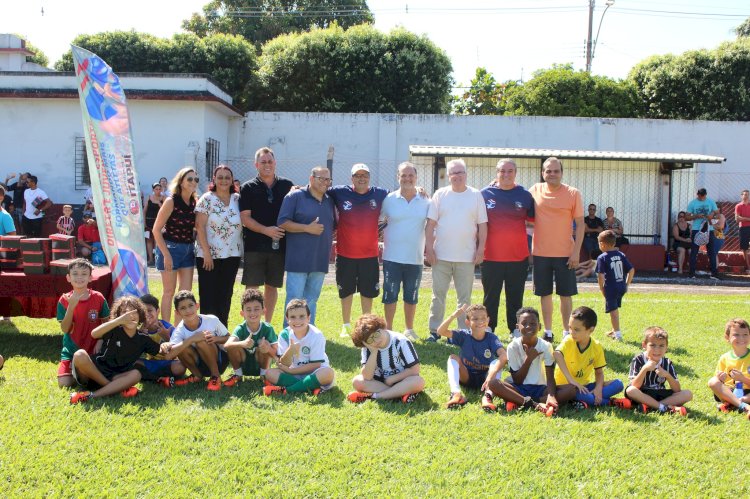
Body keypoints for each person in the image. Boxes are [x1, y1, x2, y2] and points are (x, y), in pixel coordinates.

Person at [425, 159, 488, 342]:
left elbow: (482, 225)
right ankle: (434, 331)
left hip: (466, 257)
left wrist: (480, 249)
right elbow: (430, 225)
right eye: (453, 173)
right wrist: (429, 249)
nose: (457, 176)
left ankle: (463, 332)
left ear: (466, 174)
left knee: (464, 299)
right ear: (448, 175)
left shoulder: (475, 195)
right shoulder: (440, 194)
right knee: (438, 296)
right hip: (441, 256)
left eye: (460, 172)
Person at [329, 164, 389, 337]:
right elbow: (320, 188)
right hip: (345, 254)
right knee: (346, 291)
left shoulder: (380, 193)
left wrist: (419, 189)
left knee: (367, 291)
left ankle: (366, 324)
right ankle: (346, 325)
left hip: (369, 254)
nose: (361, 178)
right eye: (357, 175)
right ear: (351, 178)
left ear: (369, 177)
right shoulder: (340, 192)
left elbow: (399, 194)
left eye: (365, 175)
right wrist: (299, 188)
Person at [528, 157, 584, 342]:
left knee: (565, 294)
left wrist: (575, 252)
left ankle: (567, 332)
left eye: (556, 171)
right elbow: (518, 201)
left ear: (562, 173)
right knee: (544, 293)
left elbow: (580, 225)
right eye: (548, 171)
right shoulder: (535, 190)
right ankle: (549, 331)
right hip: (541, 253)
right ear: (543, 173)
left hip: (565, 254)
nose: (552, 174)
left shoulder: (573, 193)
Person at [68, 296, 162, 404]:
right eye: (125, 313)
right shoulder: (114, 329)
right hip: (93, 372)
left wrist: (167, 343)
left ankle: (92, 395)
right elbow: (94, 334)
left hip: (116, 377)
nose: (129, 315)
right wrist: (118, 321)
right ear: (118, 317)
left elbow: (162, 352)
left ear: (140, 314)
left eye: (133, 312)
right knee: (79, 355)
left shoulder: (143, 338)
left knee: (136, 374)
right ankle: (112, 389)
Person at [239, 147, 294, 323]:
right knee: (252, 288)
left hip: (279, 246)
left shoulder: (287, 185)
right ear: (256, 164)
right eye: (263, 162)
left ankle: (267, 325)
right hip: (254, 246)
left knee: (272, 286)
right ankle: (251, 324)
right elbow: (245, 218)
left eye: (270, 161)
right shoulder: (247, 187)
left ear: (275, 163)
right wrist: (266, 230)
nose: (267, 165)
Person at [481, 159, 534, 337]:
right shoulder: (484, 194)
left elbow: (535, 221)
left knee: (515, 296)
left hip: (517, 257)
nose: (506, 175)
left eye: (510, 171)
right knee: (490, 297)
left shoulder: (525, 195)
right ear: (496, 173)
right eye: (502, 171)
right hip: (491, 256)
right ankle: (489, 328)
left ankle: (515, 329)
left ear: (515, 173)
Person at [277, 166, 335, 326]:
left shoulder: (330, 200)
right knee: (294, 301)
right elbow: (282, 222)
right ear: (311, 178)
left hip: (319, 260)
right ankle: (289, 337)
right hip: (298, 261)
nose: (325, 182)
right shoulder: (295, 196)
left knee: (312, 301)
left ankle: (308, 336)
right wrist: (306, 228)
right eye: (321, 178)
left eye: (328, 179)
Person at [379, 162, 429, 340]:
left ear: (416, 177)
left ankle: (409, 329)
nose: (407, 179)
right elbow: (379, 221)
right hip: (392, 257)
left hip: (415, 258)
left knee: (411, 296)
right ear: (397, 177)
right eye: (403, 175)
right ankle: (389, 329)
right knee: (390, 295)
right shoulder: (388, 199)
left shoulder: (425, 200)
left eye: (411, 175)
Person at [195, 165, 243, 327]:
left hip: (232, 255)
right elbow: (199, 226)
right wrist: (207, 254)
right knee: (208, 296)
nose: (223, 180)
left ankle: (222, 332)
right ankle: (207, 334)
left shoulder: (238, 199)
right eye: (220, 177)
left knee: (225, 295)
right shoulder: (207, 199)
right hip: (208, 256)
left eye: (227, 177)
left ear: (232, 180)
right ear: (214, 179)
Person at [488, 307, 557, 415]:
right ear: (517, 327)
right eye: (524, 323)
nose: (529, 326)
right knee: (493, 384)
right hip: (519, 388)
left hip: (540, 389)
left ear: (539, 327)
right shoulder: (512, 347)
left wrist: (551, 396)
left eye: (533, 323)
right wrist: (529, 359)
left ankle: (516, 401)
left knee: (570, 390)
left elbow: (550, 376)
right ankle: (533, 404)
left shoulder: (546, 346)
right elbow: (518, 380)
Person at [436, 304, 507, 410]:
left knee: (497, 362)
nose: (480, 321)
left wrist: (490, 375)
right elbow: (440, 331)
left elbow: (504, 355)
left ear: (488, 320)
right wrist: (453, 316)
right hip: (466, 377)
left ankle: (488, 396)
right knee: (453, 357)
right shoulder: (463, 335)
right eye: (475, 319)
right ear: (467, 322)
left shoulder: (491, 338)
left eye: (483, 318)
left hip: (486, 378)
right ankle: (456, 394)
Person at [553, 306, 626, 408]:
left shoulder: (596, 346)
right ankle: (611, 402)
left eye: (576, 329)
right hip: (566, 388)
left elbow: (599, 372)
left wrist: (598, 389)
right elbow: (557, 354)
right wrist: (572, 381)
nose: (571, 332)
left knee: (619, 384)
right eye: (570, 327)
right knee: (588, 397)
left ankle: (589, 400)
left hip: (584, 387)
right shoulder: (568, 340)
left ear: (590, 330)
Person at [152, 167, 199, 324]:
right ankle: (166, 329)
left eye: (196, 179)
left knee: (185, 294)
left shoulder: (194, 202)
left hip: (188, 249)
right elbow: (156, 230)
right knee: (169, 291)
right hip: (170, 248)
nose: (194, 182)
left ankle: (179, 330)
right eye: (190, 179)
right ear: (181, 181)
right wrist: (166, 255)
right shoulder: (171, 201)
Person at [159, 290, 230, 391]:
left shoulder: (211, 320)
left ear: (197, 306)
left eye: (190, 305)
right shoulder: (179, 330)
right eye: (183, 308)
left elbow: (229, 338)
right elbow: (168, 356)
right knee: (181, 347)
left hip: (219, 361)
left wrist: (216, 339)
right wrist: (191, 339)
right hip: (199, 364)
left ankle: (216, 376)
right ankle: (197, 376)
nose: (188, 310)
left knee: (202, 340)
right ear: (177, 312)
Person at [262, 299, 336, 396]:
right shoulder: (284, 334)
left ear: (308, 318)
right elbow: (283, 364)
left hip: (315, 373)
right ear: (287, 319)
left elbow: (316, 365)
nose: (297, 321)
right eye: (293, 317)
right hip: (293, 374)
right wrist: (290, 350)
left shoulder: (316, 335)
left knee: (328, 373)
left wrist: (292, 371)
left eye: (302, 316)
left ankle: (286, 390)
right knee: (269, 373)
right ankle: (310, 387)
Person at [347, 313, 425, 404]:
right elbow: (367, 377)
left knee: (418, 382)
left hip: (402, 380)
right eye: (370, 340)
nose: (376, 340)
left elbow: (415, 370)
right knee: (357, 381)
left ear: (383, 327)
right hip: (381, 384)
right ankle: (401, 394)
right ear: (365, 343)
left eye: (376, 334)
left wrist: (393, 379)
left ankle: (374, 396)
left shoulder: (401, 341)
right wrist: (374, 352)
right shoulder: (368, 348)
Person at [56, 258, 110, 388]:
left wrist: (101, 339)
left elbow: (106, 323)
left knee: (87, 379)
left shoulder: (98, 297)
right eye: (75, 274)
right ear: (68, 277)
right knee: (64, 384)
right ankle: (78, 371)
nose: (79, 277)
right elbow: (65, 329)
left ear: (90, 278)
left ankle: (84, 372)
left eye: (84, 274)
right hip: (71, 350)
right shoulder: (63, 300)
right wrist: (71, 307)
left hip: (93, 350)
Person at [623, 326, 692, 415]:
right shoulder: (638, 360)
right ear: (644, 345)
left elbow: (677, 390)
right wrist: (644, 369)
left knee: (687, 394)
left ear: (666, 347)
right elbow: (634, 385)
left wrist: (667, 375)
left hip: (660, 394)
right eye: (652, 345)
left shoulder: (667, 363)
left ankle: (651, 406)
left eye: (661, 346)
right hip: (642, 393)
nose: (657, 350)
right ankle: (663, 407)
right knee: (630, 390)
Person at [223, 288, 279, 387]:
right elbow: (226, 345)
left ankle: (264, 375)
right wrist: (242, 343)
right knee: (233, 346)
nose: (252, 313)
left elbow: (278, 354)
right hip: (243, 364)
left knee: (263, 346)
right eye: (248, 310)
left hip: (261, 364)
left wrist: (268, 348)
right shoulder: (240, 328)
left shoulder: (268, 329)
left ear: (263, 311)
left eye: (256, 309)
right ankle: (238, 375)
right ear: (242, 313)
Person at [135, 293, 185, 385]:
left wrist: (166, 337)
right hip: (151, 363)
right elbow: (135, 353)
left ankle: (153, 378)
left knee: (181, 367)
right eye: (143, 311)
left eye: (150, 310)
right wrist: (139, 337)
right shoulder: (139, 330)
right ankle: (161, 379)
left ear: (157, 311)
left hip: (168, 363)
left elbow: (178, 352)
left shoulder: (167, 328)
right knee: (132, 363)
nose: (147, 314)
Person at [596, 230, 635, 342]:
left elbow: (600, 275)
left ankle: (617, 334)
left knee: (613, 311)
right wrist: (626, 284)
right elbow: (631, 270)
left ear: (603, 244)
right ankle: (614, 329)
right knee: (615, 308)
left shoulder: (602, 257)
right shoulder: (621, 255)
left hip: (611, 287)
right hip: (621, 286)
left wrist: (602, 288)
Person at [708, 318, 750, 416]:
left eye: (745, 335)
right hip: (729, 391)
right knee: (712, 382)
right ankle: (743, 405)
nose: (741, 338)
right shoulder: (724, 358)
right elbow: (717, 381)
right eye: (736, 335)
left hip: (748, 393)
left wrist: (742, 379)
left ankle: (734, 403)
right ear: (727, 337)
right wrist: (720, 379)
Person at [686, 188, 720, 279]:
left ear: (705, 195)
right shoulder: (693, 203)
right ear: (697, 194)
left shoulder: (711, 202)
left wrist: (711, 215)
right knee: (694, 251)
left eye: (703, 196)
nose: (701, 197)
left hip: (709, 229)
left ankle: (714, 273)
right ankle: (692, 273)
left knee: (711, 252)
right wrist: (696, 216)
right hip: (697, 229)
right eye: (699, 196)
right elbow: (686, 217)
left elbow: (718, 215)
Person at [143, 182, 164, 266]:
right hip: (148, 223)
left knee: (157, 241)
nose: (158, 191)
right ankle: (151, 259)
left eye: (159, 189)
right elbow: (144, 211)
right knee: (149, 240)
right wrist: (144, 223)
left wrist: (160, 204)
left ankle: (157, 259)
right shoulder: (149, 197)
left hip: (158, 223)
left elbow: (165, 210)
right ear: (153, 190)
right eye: (156, 189)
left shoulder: (163, 198)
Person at [734, 189, 750, 274]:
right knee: (744, 249)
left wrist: (743, 218)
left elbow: (740, 218)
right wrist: (748, 219)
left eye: (747, 194)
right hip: (743, 228)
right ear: (741, 196)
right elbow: (737, 219)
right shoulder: (738, 206)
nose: (746, 196)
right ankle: (748, 268)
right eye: (744, 194)